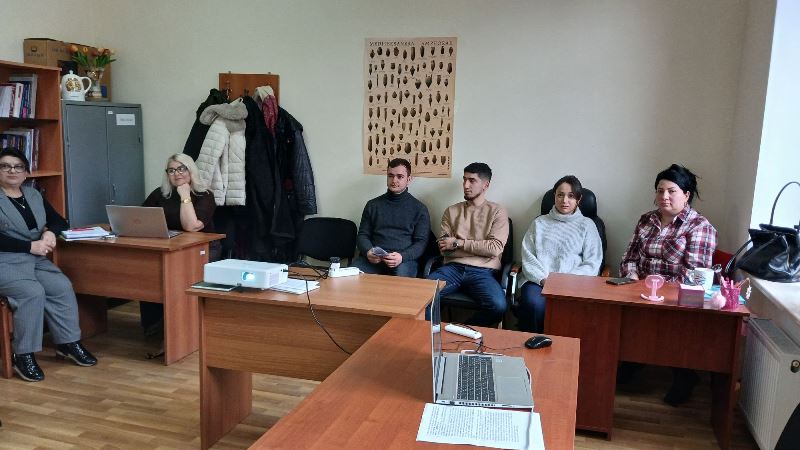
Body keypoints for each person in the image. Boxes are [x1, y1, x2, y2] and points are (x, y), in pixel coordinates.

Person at [619, 163, 717, 406]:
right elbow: (629, 257)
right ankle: (634, 359)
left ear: (686, 195)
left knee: (671, 325)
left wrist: (659, 291)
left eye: (671, 191)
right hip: (639, 291)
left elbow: (694, 274)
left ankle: (684, 374)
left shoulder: (699, 226)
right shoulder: (646, 220)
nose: (664, 196)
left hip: (676, 298)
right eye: (660, 190)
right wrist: (633, 280)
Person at [0, 147, 97, 382]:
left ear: (26, 173)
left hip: (34, 258)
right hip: (5, 260)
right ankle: (23, 355)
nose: (12, 171)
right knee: (32, 292)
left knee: (61, 285)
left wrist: (50, 233)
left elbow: (60, 221)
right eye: (5, 166)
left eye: (18, 166)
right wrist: (29, 246)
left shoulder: (33, 195)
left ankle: (67, 343)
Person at [140, 153, 218, 334]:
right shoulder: (160, 194)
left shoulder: (205, 195)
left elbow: (191, 226)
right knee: (148, 275)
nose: (177, 174)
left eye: (182, 168)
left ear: (191, 170)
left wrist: (184, 195)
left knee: (177, 280)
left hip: (201, 249)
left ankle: (182, 329)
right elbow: (141, 217)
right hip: (169, 247)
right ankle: (155, 325)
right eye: (172, 170)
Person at [515, 175, 602, 332]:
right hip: (538, 282)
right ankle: (533, 344)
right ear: (554, 196)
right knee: (534, 305)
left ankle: (561, 347)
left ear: (579, 199)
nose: (564, 200)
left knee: (569, 312)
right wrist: (544, 280)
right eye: (560, 195)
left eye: (571, 196)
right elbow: (528, 256)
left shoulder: (587, 225)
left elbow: (592, 262)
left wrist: (564, 281)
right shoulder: (539, 223)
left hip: (573, 284)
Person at [427, 162, 509, 326]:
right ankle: (429, 337)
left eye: (472, 181)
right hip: (452, 269)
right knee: (420, 296)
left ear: (485, 185)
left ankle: (461, 331)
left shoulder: (497, 211)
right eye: (464, 180)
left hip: (483, 272)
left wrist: (457, 243)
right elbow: (444, 249)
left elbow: (494, 249)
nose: (465, 185)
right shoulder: (451, 211)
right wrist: (480, 249)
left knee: (498, 306)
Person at [353, 158, 430, 277]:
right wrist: (368, 251)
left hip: (403, 261)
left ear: (409, 179)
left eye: (400, 177)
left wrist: (402, 257)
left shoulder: (419, 209)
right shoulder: (373, 205)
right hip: (375, 259)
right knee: (350, 276)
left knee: (400, 281)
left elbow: (421, 243)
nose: (394, 180)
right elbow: (363, 235)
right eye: (390, 176)